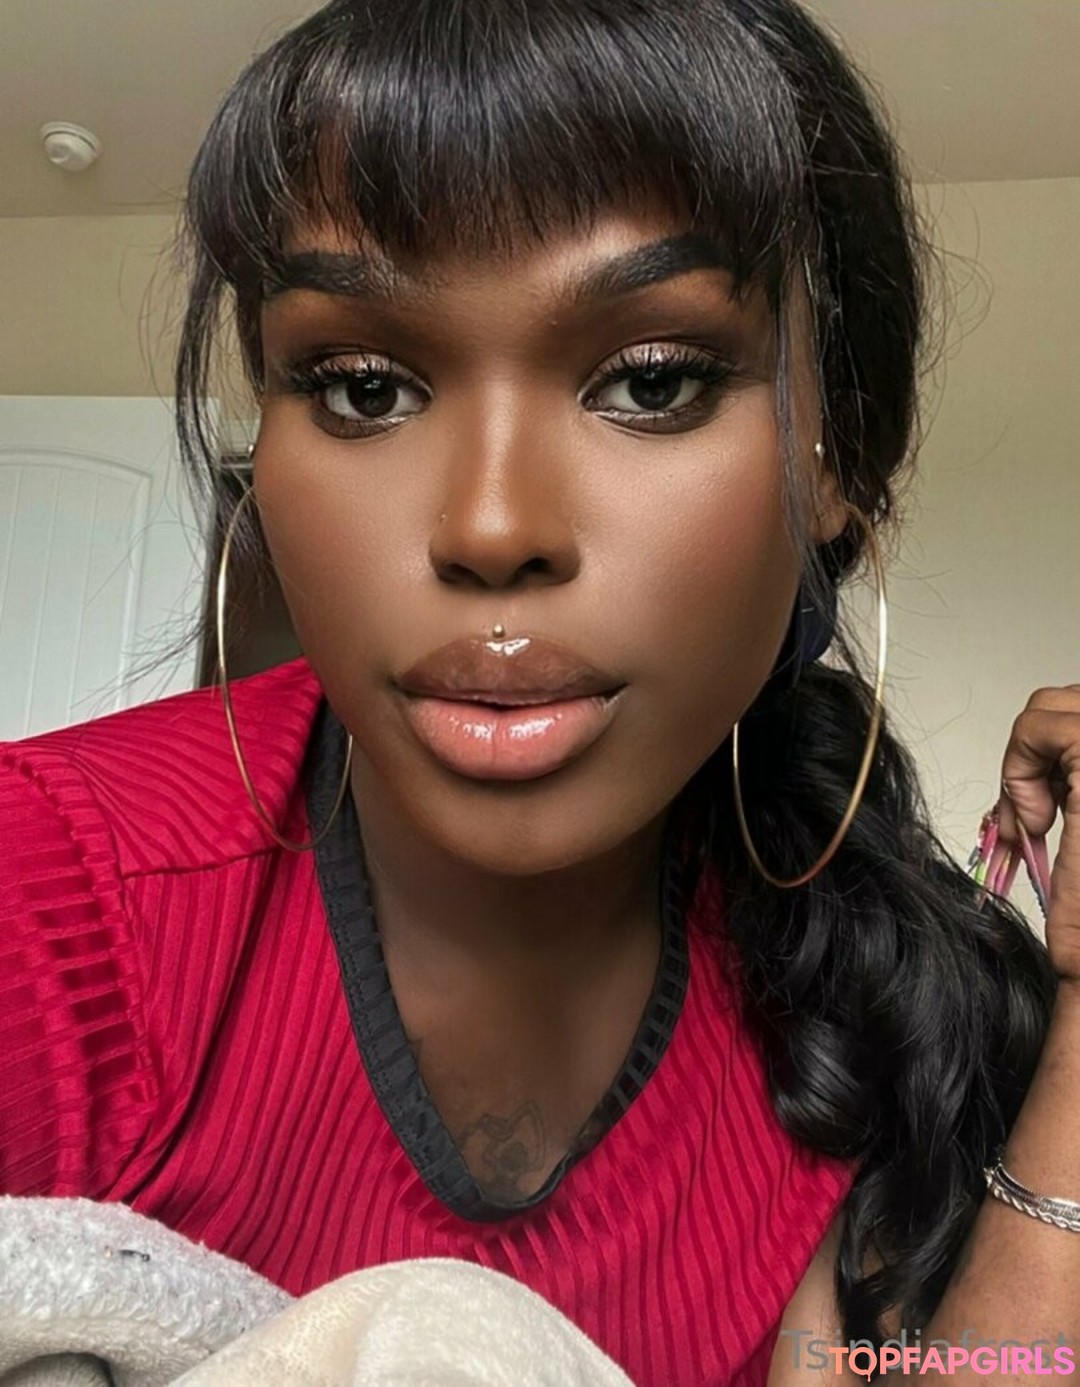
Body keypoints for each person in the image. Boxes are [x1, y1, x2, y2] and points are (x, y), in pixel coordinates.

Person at [2, 1, 1079, 1383]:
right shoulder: (51, 894)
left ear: (840, 457)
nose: (492, 525)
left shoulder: (867, 994)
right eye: (364, 389)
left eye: (652, 382)